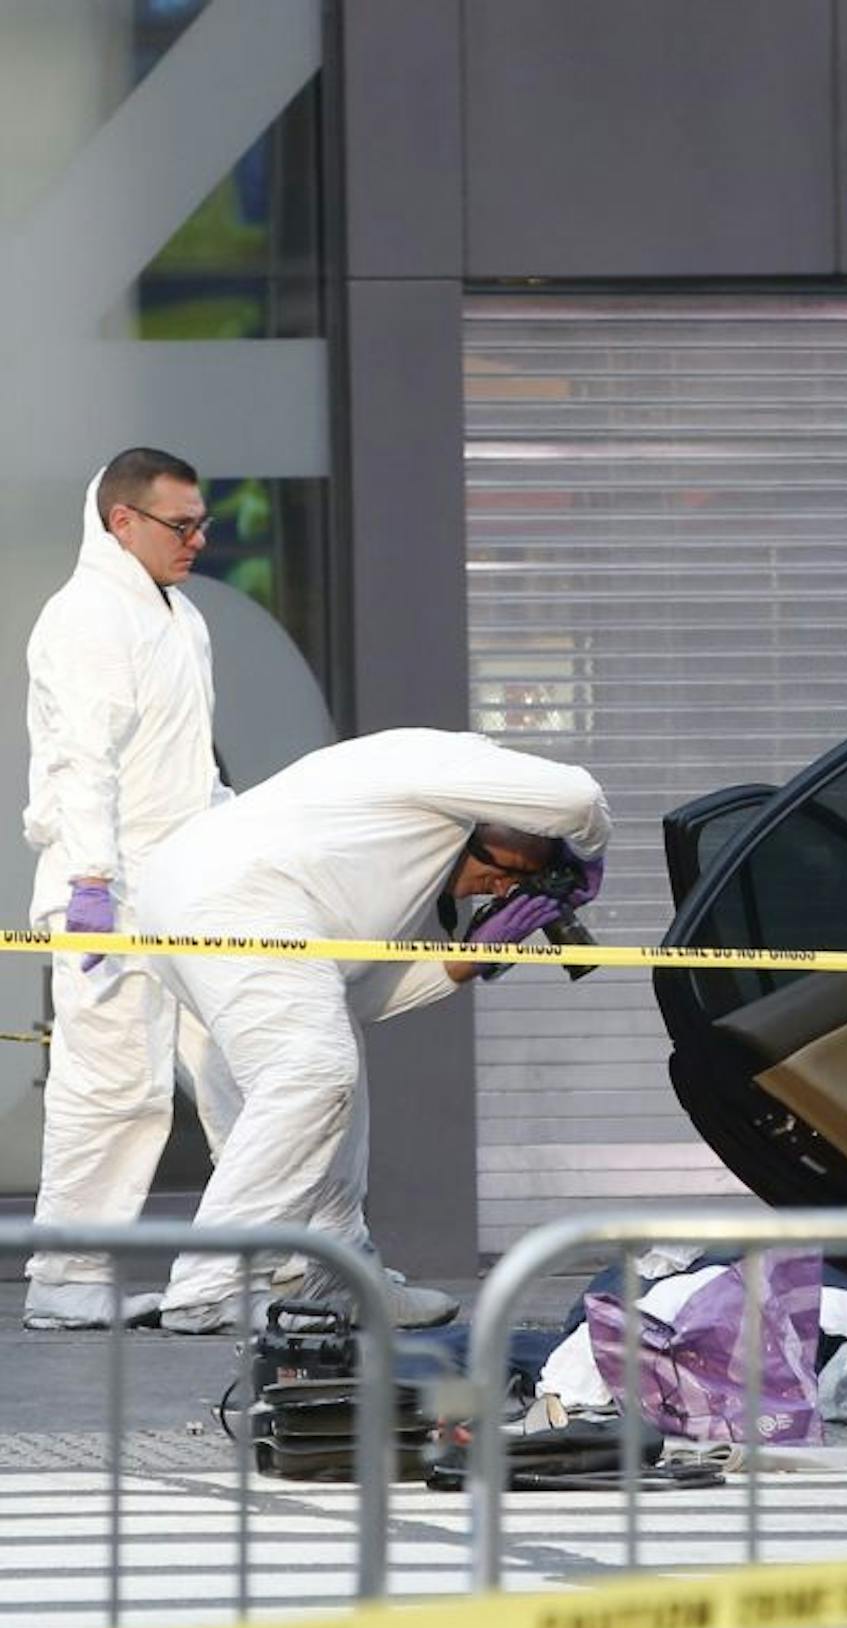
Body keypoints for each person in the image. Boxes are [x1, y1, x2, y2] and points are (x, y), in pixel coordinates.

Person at [138, 727, 612, 1333]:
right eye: (506, 871)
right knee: (314, 1071)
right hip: (233, 897)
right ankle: (212, 1287)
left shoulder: (392, 851)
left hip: (194, 895)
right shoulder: (443, 763)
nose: (502, 889)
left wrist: (469, 959)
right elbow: (577, 799)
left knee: (329, 1058)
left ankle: (341, 1276)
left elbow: (351, 997)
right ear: (493, 816)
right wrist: (588, 857)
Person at [21, 449, 232, 1330]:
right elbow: (82, 764)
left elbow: (191, 769)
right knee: (112, 1087)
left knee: (246, 1075)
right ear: (122, 521)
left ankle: (275, 1266)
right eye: (180, 525)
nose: (198, 539)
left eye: (201, 523)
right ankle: (65, 1278)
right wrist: (92, 882)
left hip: (188, 885)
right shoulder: (85, 617)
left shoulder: (179, 618)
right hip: (107, 891)